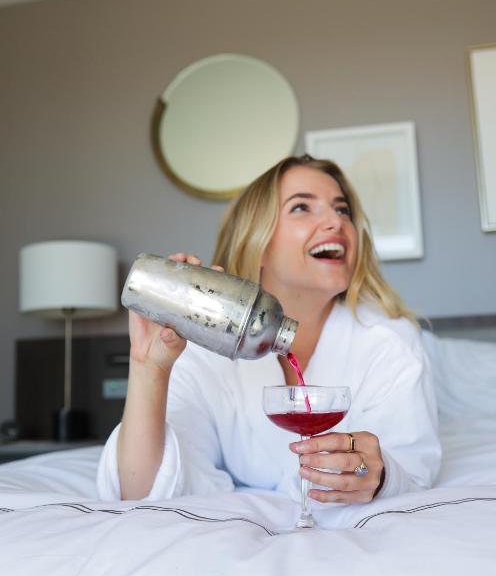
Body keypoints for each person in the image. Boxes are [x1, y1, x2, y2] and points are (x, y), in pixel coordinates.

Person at [97, 155, 441, 505]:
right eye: (302, 207)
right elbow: (140, 490)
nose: (336, 222)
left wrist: (379, 476)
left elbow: (411, 470)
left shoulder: (389, 341)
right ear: (257, 242)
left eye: (342, 210)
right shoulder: (204, 346)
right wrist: (148, 367)